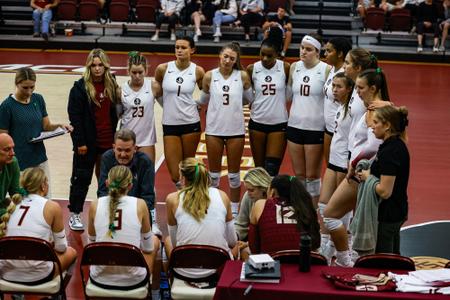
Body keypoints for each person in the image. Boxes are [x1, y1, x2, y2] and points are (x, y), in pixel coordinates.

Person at [323, 67, 391, 266]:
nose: (357, 92)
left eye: (361, 88)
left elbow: (373, 146)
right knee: (347, 216)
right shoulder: (374, 107)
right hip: (360, 168)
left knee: (330, 214)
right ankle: (341, 254)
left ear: (373, 88)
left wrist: (353, 164)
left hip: (361, 171)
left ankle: (345, 259)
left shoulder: (375, 111)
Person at [67, 48, 121, 231]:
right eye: (94, 65)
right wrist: (79, 142)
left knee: (106, 180)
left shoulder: (112, 84)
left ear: (106, 67)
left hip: (108, 141)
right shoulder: (79, 88)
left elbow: (116, 112)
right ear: (89, 67)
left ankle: (105, 212)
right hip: (87, 143)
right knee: (81, 178)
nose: (97, 69)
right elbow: (75, 117)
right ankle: (75, 214)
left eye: (101, 65)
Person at [199, 42, 253, 216]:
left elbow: (249, 99)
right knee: (213, 175)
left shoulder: (242, 76)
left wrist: (235, 105)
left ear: (236, 60)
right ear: (220, 56)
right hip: (214, 129)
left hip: (235, 130)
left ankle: (235, 211)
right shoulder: (209, 76)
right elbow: (203, 99)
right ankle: (214, 208)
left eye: (232, 58)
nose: (228, 60)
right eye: (225, 56)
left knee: (234, 175)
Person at [0, 67, 72, 195]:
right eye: (25, 87)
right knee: (22, 200)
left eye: (32, 87)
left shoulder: (38, 99)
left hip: (39, 158)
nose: (29, 91)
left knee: (45, 197)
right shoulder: (6, 106)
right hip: (19, 161)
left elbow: (46, 126)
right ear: (17, 84)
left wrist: (60, 126)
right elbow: (2, 137)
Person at [0, 167, 77, 284]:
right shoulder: (52, 206)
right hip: (38, 275)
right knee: (71, 252)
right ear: (42, 185)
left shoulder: (12, 205)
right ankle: (58, 293)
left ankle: (18, 293)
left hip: (6, 273)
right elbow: (61, 248)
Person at [88, 165, 160, 290]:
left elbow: (90, 244)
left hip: (99, 278)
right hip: (133, 281)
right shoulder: (140, 204)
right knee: (155, 241)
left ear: (107, 183)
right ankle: (155, 292)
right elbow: (148, 248)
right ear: (130, 186)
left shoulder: (95, 205)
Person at [164, 158, 238, 278]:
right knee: (238, 246)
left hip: (184, 271)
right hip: (218, 270)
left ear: (183, 178)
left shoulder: (172, 199)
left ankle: (169, 285)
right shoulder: (222, 196)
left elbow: (175, 242)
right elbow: (232, 241)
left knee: (167, 241)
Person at [356, 105, 409, 254]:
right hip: (396, 211)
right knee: (393, 258)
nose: (372, 127)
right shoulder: (396, 145)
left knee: (383, 262)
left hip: (387, 216)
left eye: (376, 122)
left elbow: (385, 192)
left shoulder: (390, 152)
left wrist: (368, 177)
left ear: (387, 126)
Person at [154, 36, 205, 190]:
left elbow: (206, 93)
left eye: (183, 47)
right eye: (177, 47)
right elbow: (157, 93)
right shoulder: (163, 69)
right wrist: (167, 107)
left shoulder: (197, 70)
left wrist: (197, 104)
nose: (179, 50)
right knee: (175, 173)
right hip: (170, 123)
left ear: (192, 50)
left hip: (191, 123)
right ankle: (182, 191)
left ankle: (191, 198)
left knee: (188, 168)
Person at [287, 34, 331, 206]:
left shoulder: (325, 69)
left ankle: (312, 214)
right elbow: (289, 95)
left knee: (312, 176)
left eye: (308, 49)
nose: (303, 52)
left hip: (315, 128)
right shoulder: (294, 67)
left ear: (318, 52)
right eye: (302, 48)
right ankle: (301, 211)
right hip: (294, 126)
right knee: (298, 175)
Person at [317, 72, 354, 262]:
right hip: (333, 159)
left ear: (349, 89)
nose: (334, 90)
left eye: (339, 87)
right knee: (323, 204)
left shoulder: (355, 110)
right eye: (333, 86)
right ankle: (325, 245)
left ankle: (341, 251)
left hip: (344, 163)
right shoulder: (339, 107)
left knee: (342, 209)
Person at [246, 28, 290, 176]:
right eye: (262, 54)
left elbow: (289, 93)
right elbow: (248, 96)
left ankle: (271, 199)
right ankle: (260, 200)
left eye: (269, 56)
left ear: (277, 54)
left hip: (278, 123)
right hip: (257, 123)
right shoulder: (252, 69)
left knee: (271, 170)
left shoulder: (285, 67)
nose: (265, 58)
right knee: (259, 171)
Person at [97, 129, 157, 230]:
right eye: (119, 150)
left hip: (136, 210)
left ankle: (153, 222)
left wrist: (130, 213)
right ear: (113, 147)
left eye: (127, 150)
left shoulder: (145, 162)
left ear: (135, 148)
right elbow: (102, 192)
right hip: (113, 207)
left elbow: (147, 196)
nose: (123, 154)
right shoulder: (107, 158)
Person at [248, 175, 320, 254]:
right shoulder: (306, 207)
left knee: (244, 251)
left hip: (273, 263)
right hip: (305, 262)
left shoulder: (261, 204)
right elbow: (316, 243)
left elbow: (254, 248)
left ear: (272, 191)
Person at [121, 51, 160, 163]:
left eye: (140, 72)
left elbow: (168, 106)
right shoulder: (121, 90)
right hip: (126, 140)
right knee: (126, 177)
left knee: (148, 177)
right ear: (128, 71)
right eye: (134, 72)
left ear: (146, 71)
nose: (137, 76)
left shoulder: (153, 87)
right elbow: (117, 115)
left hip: (146, 141)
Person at [322, 37, 353, 166]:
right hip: (328, 128)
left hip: (340, 132)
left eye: (329, 51)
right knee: (330, 167)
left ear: (340, 54)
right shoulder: (331, 70)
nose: (325, 54)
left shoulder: (346, 75)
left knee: (340, 173)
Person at [235, 167, 271, 241]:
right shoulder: (248, 196)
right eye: (247, 190)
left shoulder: (276, 198)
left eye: (251, 190)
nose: (248, 193)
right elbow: (241, 225)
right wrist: (235, 237)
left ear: (263, 189)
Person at [0, 133, 20, 206]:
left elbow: (15, 192)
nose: (12, 153)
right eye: (7, 149)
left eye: (12, 148)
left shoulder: (12, 162)